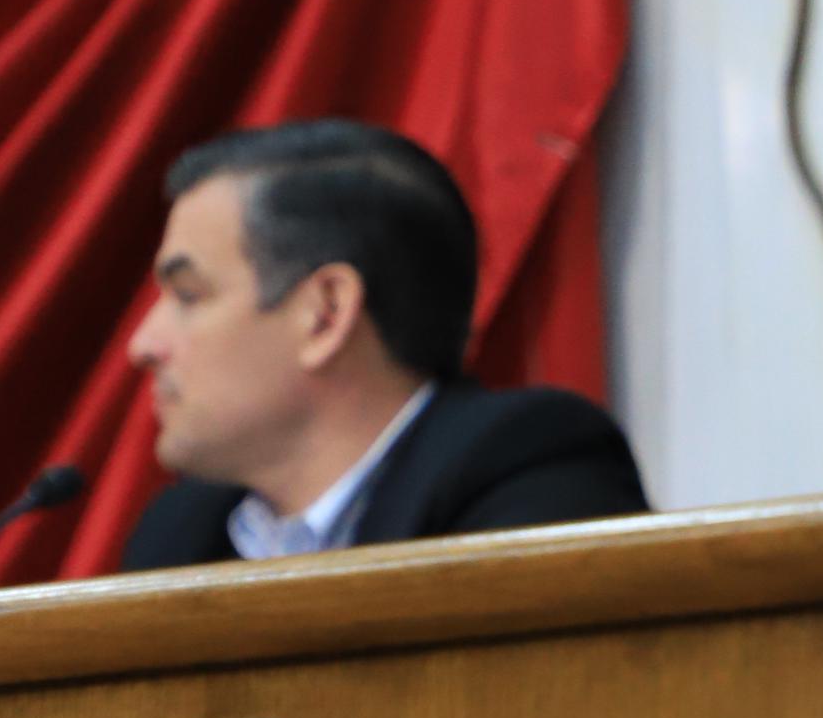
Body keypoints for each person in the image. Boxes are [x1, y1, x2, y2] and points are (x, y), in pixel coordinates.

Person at [121, 122, 647, 570]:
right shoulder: (179, 534)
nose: (143, 345)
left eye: (189, 295)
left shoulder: (530, 471)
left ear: (325, 315)